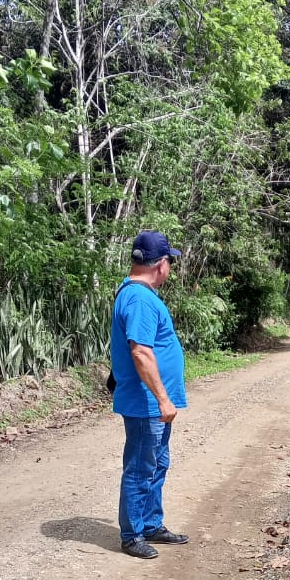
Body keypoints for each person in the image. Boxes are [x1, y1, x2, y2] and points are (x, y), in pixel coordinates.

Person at [111, 230, 189, 559]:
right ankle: (132, 535)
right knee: (141, 468)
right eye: (170, 261)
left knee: (157, 464)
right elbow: (140, 351)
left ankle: (150, 524)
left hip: (151, 402)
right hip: (147, 404)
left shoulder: (137, 295)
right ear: (161, 265)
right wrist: (163, 398)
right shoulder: (140, 299)